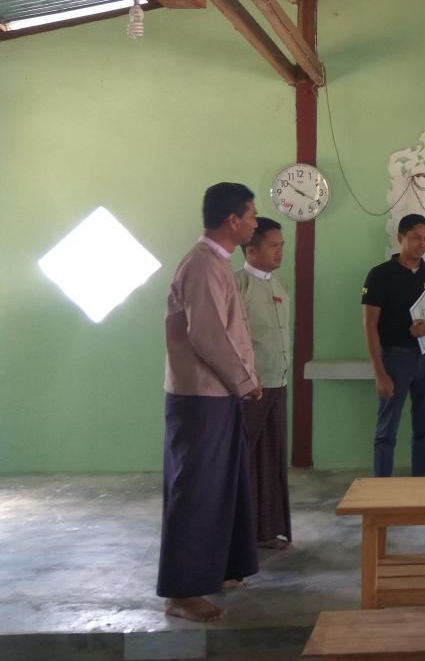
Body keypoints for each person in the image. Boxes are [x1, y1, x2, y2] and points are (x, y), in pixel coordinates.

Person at [158, 182, 262, 623]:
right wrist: (244, 380)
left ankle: (220, 568)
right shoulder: (202, 265)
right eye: (251, 216)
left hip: (218, 393)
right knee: (196, 490)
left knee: (221, 485)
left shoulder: (217, 262)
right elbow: (206, 335)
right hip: (201, 396)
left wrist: (242, 379)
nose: (255, 223)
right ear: (232, 220)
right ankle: (182, 593)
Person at [361, 214, 425, 477]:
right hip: (394, 358)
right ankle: (382, 490)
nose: (422, 244)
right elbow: (369, 326)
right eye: (415, 238)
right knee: (386, 430)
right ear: (400, 237)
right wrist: (380, 373)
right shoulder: (380, 274)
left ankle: (420, 485)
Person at [234, 216, 292, 550]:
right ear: (251, 249)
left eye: (282, 245)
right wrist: (245, 377)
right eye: (273, 246)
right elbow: (229, 338)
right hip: (248, 389)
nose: (280, 251)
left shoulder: (279, 286)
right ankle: (236, 538)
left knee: (271, 459)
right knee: (241, 461)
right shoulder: (236, 285)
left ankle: (265, 531)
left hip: (277, 383)